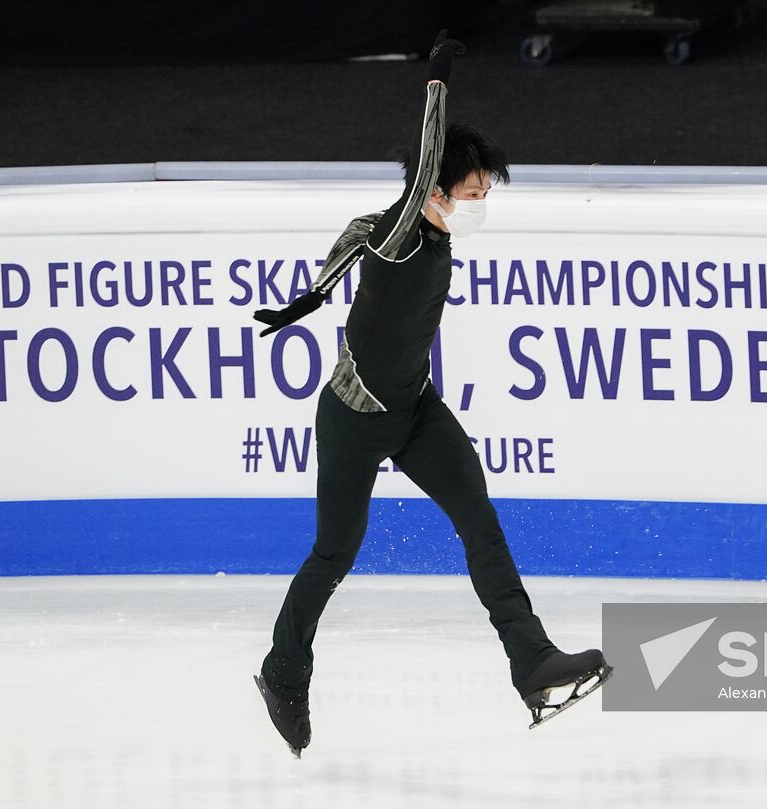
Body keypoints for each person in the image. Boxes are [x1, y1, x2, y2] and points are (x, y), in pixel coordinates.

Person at [249, 30, 611, 757]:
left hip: (415, 409)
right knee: (334, 554)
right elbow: (388, 208)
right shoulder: (406, 232)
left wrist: (311, 296)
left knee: (480, 520)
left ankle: (532, 662)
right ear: (436, 192)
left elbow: (349, 234)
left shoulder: (412, 235)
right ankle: (283, 671)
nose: (481, 204)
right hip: (354, 421)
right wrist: (438, 79)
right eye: (473, 192)